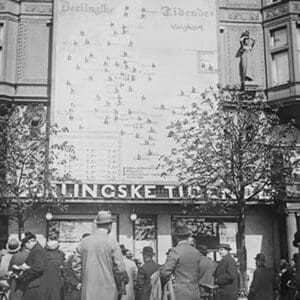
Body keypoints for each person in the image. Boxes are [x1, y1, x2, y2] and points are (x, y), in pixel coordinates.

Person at [72, 210, 127, 300]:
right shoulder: (112, 243)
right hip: (109, 290)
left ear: (97, 225)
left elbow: (76, 265)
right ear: (110, 225)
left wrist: (84, 279)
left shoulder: (84, 242)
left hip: (88, 290)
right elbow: (120, 269)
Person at [160, 219, 201, 300]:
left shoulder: (175, 251)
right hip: (194, 293)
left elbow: (165, 273)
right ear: (187, 236)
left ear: (176, 237)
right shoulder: (196, 252)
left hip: (179, 294)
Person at [19, 232, 48, 300]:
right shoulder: (36, 249)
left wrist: (26, 269)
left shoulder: (37, 250)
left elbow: (39, 268)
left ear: (28, 242)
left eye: (25, 244)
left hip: (35, 285)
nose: (25, 246)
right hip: (34, 284)